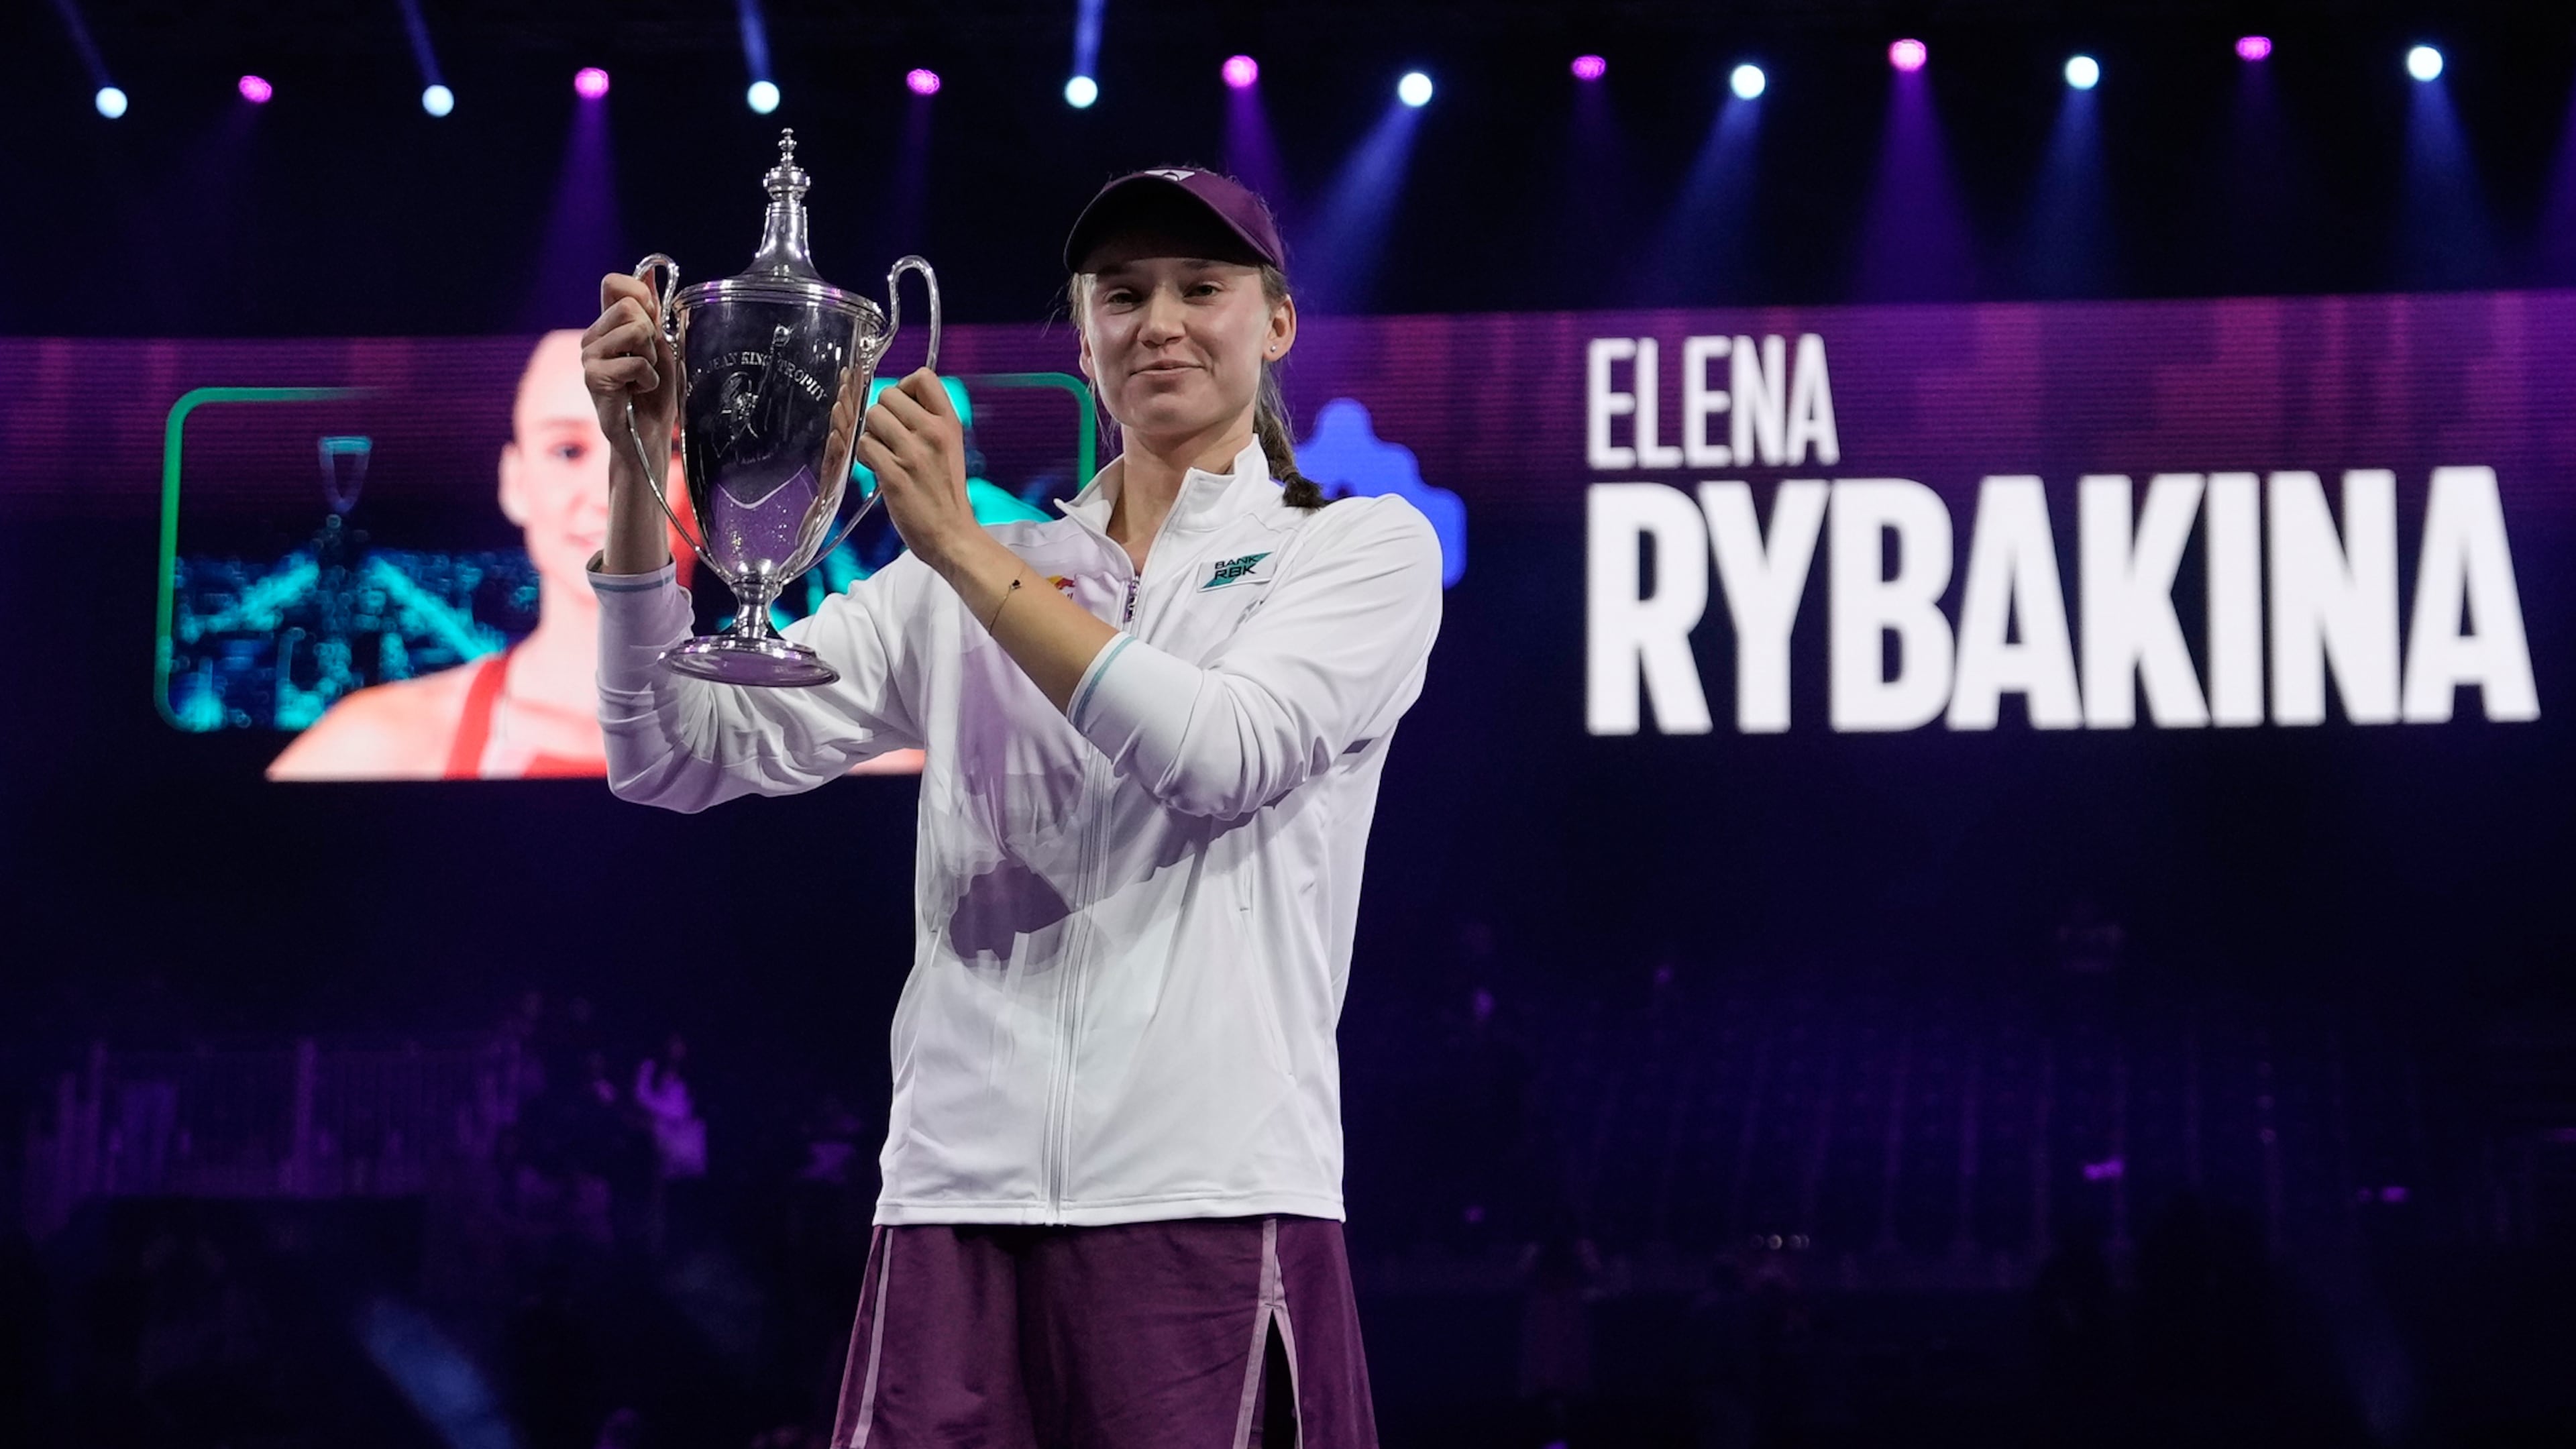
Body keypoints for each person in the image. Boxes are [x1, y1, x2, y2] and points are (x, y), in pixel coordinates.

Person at [580, 167, 1444, 1448]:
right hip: (951, 1204)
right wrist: (639, 472)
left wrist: (966, 550)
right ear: (1084, 339)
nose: (1161, 323)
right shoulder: (973, 575)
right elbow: (666, 749)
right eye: (1122, 295)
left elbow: (1221, 753)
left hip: (1206, 1200)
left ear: (1276, 324)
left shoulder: (1356, 550)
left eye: (1202, 289)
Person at [266, 331, 678, 780]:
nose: (611, 492)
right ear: (515, 482)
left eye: (657, 448)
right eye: (568, 451)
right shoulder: (380, 747)